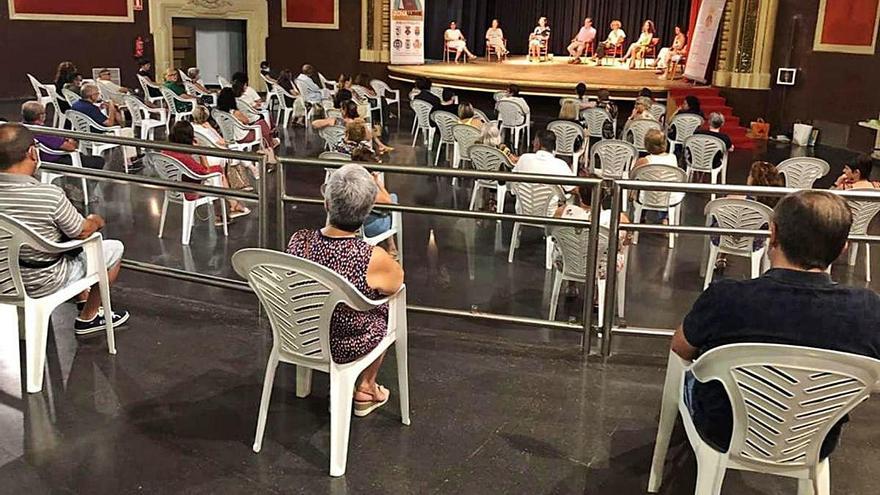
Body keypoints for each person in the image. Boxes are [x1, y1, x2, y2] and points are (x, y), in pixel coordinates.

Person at [673, 190, 880, 459]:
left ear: (773, 234)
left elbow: (681, 347)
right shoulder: (870, 310)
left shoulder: (726, 296)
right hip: (813, 440)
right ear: (843, 248)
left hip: (722, 430)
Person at [286, 164, 404, 414]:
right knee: (388, 305)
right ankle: (367, 387)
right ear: (368, 210)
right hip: (345, 344)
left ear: (327, 204)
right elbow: (396, 283)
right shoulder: (372, 257)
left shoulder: (299, 240)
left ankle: (307, 383)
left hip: (299, 335)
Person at [0, 123, 130, 335]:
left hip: (3, 278)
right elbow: (82, 232)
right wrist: (95, 221)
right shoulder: (49, 196)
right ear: (32, 152)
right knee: (112, 249)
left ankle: (82, 297)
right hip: (42, 282)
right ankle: (89, 316)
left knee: (59, 243)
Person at [162, 121, 249, 221]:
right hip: (190, 190)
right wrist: (201, 152)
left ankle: (228, 208)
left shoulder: (165, 151)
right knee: (217, 173)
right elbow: (205, 171)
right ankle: (227, 209)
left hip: (172, 187)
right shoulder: (185, 158)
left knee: (215, 176)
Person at [554, 181, 631, 279]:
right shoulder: (617, 218)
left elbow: (550, 233)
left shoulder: (562, 212)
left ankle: (571, 286)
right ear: (604, 195)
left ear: (579, 193)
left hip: (565, 263)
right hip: (604, 268)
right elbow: (628, 240)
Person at [21, 101, 105, 170]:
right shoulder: (43, 132)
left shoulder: (22, 128)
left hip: (41, 160)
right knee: (98, 161)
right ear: (41, 116)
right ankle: (85, 187)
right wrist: (71, 141)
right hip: (55, 160)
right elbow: (71, 147)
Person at [191, 105, 259, 189]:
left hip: (198, 156)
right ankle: (251, 168)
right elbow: (222, 142)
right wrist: (212, 129)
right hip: (211, 157)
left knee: (234, 150)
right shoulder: (206, 130)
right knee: (235, 150)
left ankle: (249, 173)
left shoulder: (192, 128)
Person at [216, 87, 278, 152]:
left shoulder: (220, 113)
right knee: (262, 123)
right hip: (243, 137)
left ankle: (270, 142)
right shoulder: (235, 112)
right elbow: (246, 121)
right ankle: (270, 145)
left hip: (232, 136)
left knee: (261, 126)